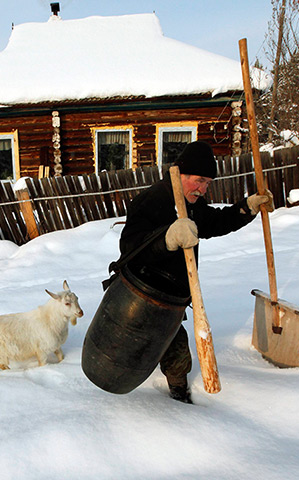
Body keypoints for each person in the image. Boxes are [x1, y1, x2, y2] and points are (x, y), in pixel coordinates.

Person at [117, 140, 273, 404]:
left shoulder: (191, 203)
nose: (202, 189)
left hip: (172, 298)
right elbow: (130, 246)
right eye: (199, 180)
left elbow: (213, 222)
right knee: (127, 347)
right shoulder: (152, 200)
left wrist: (246, 208)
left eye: (208, 183)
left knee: (176, 353)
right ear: (182, 174)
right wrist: (166, 239)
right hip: (140, 293)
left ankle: (179, 398)